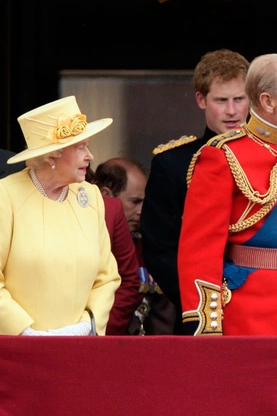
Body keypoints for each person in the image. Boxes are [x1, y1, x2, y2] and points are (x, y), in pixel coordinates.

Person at [178, 53, 277, 335]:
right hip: (248, 314)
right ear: (268, 101)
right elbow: (199, 251)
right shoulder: (222, 154)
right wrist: (208, 325)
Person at [140, 49, 250, 333]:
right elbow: (160, 249)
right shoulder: (172, 163)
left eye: (239, 99)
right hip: (201, 312)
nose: (232, 110)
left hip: (265, 305)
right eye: (221, 100)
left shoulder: (275, 156)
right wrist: (201, 305)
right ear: (201, 100)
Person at [0, 96, 120, 335]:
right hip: (17, 350)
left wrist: (86, 326)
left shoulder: (92, 197)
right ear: (52, 154)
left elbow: (107, 277)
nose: (90, 156)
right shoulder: (6, 195)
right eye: (80, 147)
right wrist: (24, 331)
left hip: (78, 347)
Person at [95, 157, 176, 335]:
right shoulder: (87, 245)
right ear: (106, 195)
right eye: (135, 201)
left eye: (144, 202)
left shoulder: (149, 248)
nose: (141, 210)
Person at [86, 166, 142, 335]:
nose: (141, 211)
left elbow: (128, 281)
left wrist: (99, 330)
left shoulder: (111, 210)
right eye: (135, 201)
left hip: (99, 332)